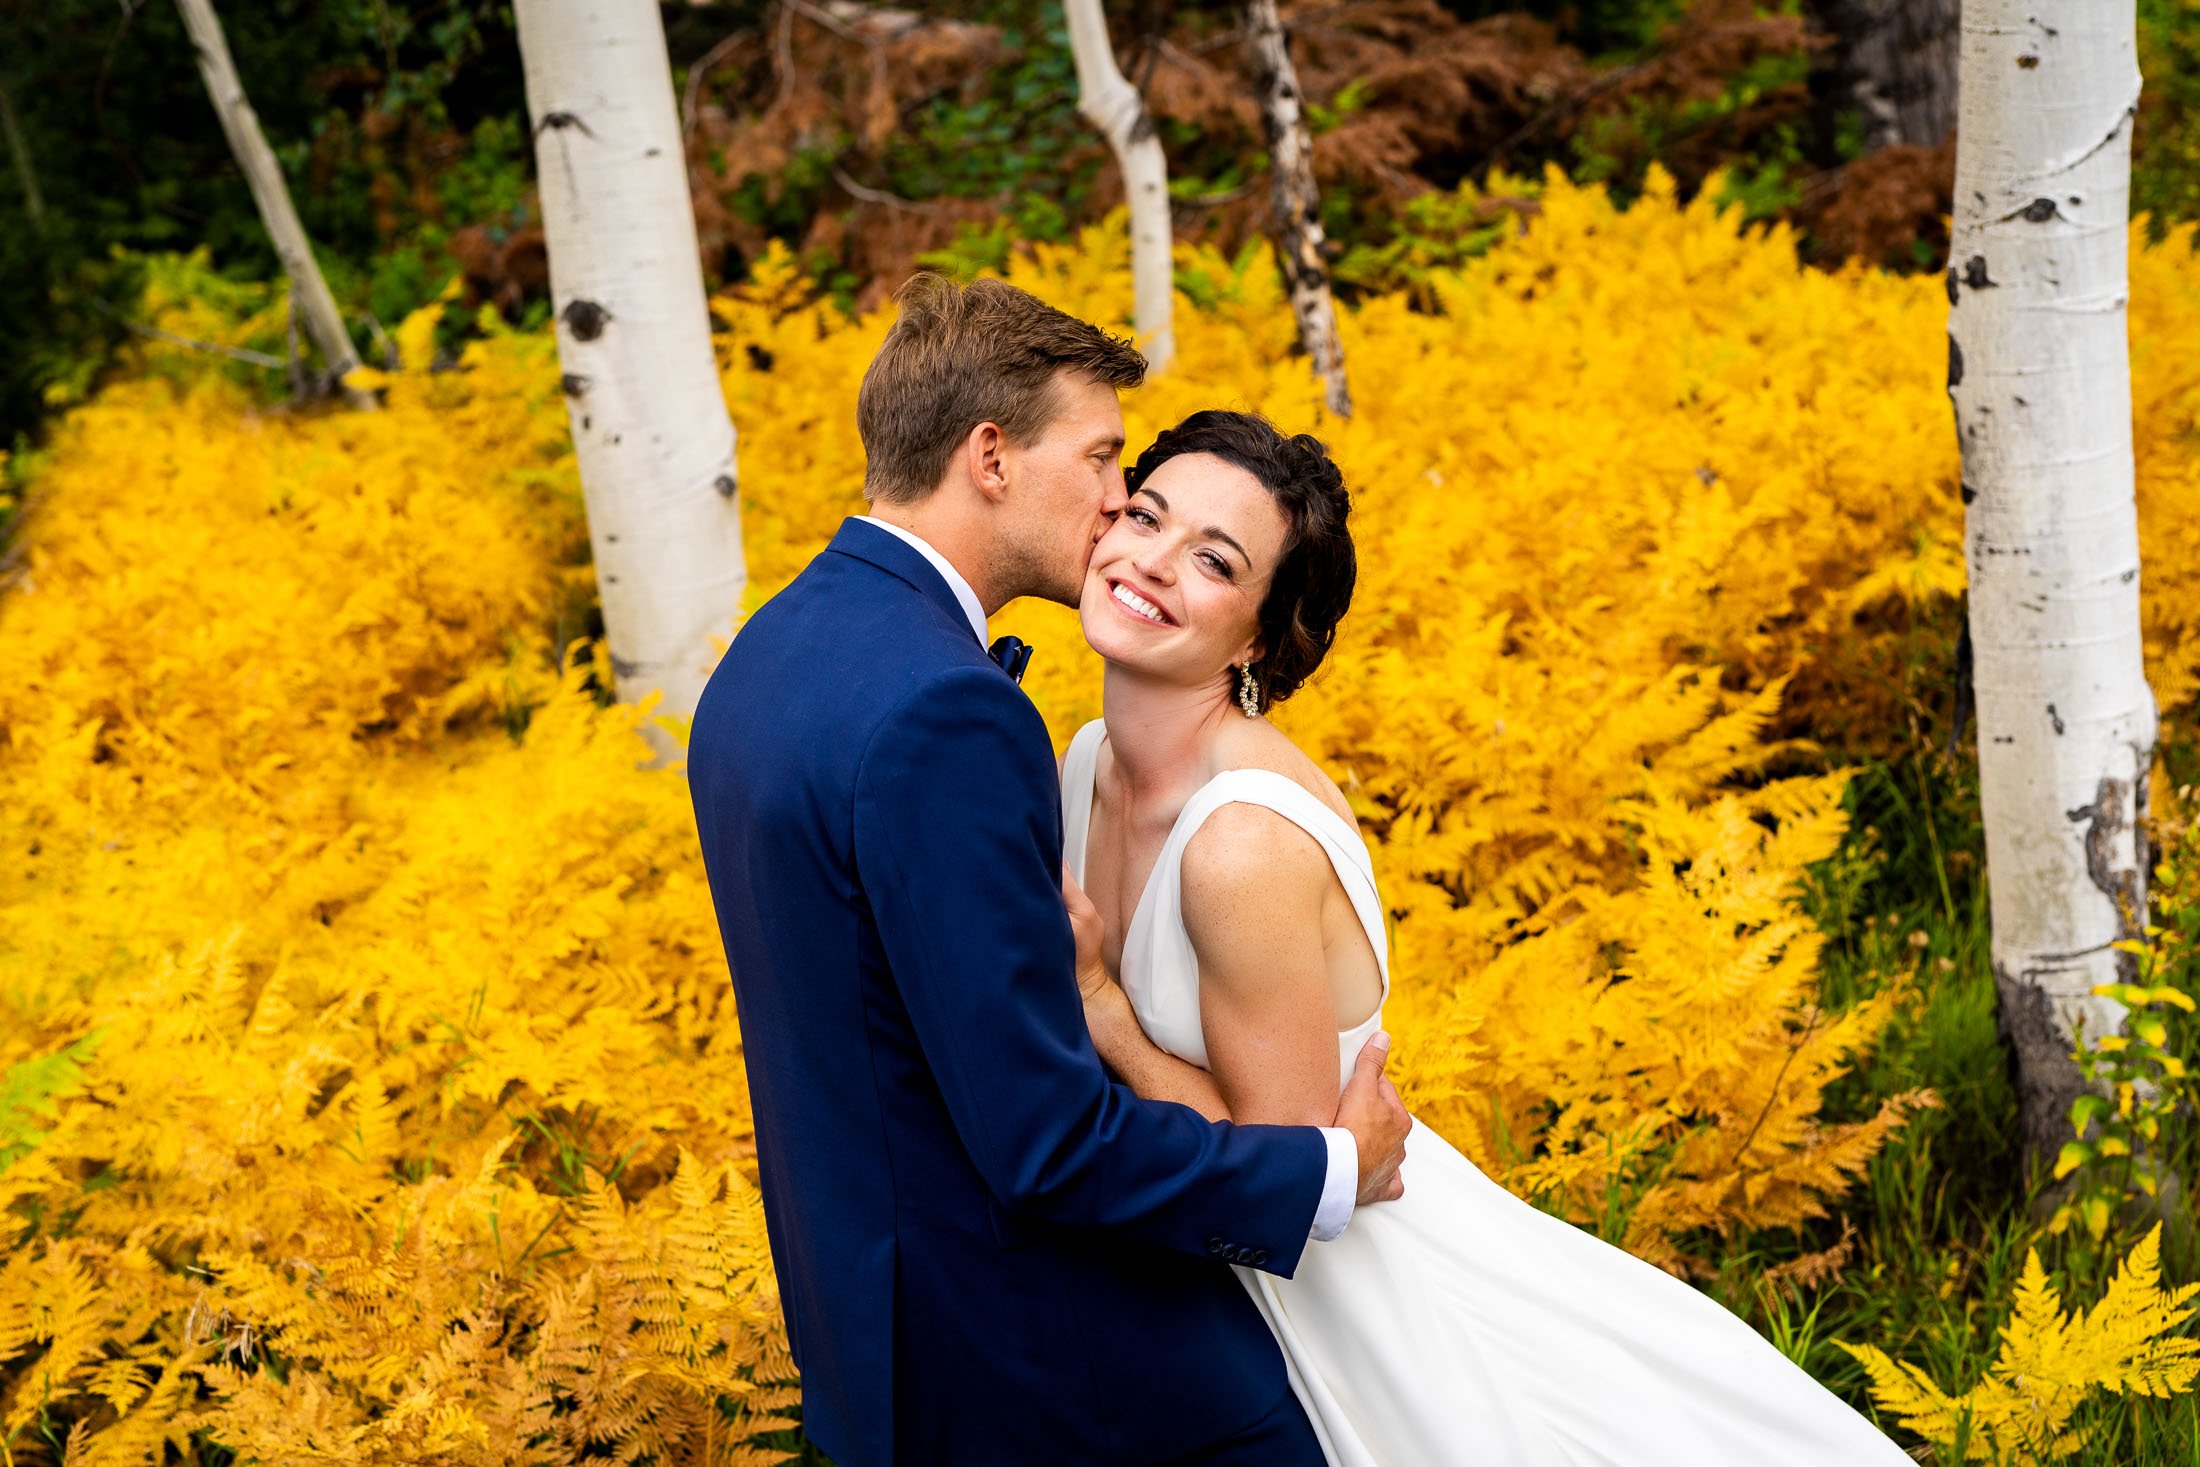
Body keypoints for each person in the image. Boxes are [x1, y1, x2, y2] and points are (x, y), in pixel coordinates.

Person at [1060, 408, 1918, 1465]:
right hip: (1192, 1284)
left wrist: (1105, 1009)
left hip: (1342, 1297)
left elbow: (1282, 1171)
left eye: (1213, 560)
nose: (1148, 561)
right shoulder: (1088, 757)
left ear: (1258, 636)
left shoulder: (1239, 845)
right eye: (1143, 515)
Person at [685, 274, 1411, 1467]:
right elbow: (1043, 1142)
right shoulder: (949, 716)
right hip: (1038, 1370)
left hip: (872, 1329)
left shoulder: (770, 652)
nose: (1118, 499)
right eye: (1104, 461)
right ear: (990, 458)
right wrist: (1326, 1171)